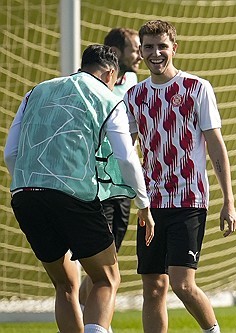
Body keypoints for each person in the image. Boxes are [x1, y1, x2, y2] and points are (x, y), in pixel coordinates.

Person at [4, 44, 155, 333]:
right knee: (106, 279)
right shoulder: (108, 98)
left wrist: (30, 185)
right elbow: (126, 157)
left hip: (24, 194)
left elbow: (11, 152)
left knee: (65, 284)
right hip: (72, 196)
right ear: (111, 73)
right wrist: (143, 204)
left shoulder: (36, 91)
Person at [124, 20, 236, 333]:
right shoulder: (134, 96)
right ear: (141, 51)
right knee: (153, 288)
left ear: (175, 48)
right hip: (150, 204)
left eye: (162, 46)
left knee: (182, 284)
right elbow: (124, 149)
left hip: (189, 200)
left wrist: (228, 200)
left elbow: (216, 144)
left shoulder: (196, 88)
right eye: (149, 47)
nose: (155, 53)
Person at [79, 27, 142, 312]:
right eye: (136, 49)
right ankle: (95, 322)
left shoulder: (132, 81)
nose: (141, 54)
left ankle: (89, 314)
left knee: (109, 256)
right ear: (116, 54)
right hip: (96, 182)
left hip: (120, 183)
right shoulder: (93, 87)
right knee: (103, 264)